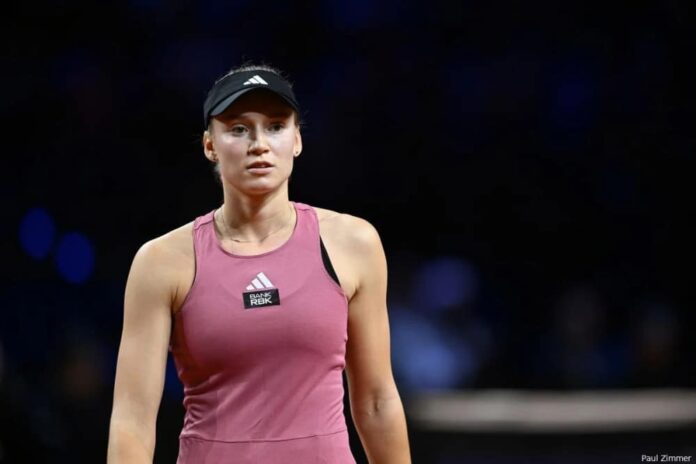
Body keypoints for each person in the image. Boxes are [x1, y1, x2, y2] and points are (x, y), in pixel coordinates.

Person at [107, 63, 411, 463]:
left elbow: (376, 401)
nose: (259, 144)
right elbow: (132, 420)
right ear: (209, 145)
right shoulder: (162, 262)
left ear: (297, 140)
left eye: (275, 126)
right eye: (238, 129)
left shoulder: (353, 243)